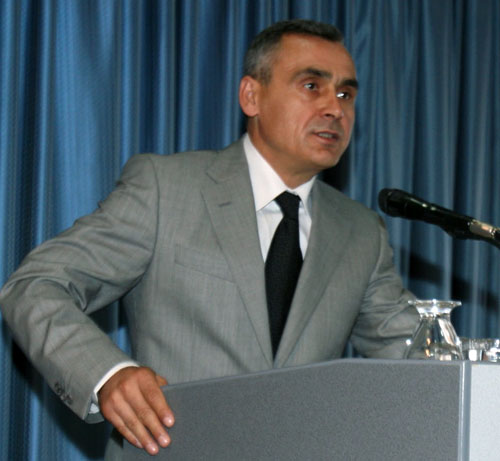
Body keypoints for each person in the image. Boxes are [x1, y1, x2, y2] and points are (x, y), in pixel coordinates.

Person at [0, 19, 418, 458]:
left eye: (346, 94)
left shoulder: (361, 232)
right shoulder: (167, 189)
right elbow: (34, 287)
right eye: (312, 86)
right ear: (251, 96)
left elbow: (419, 352)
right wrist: (107, 375)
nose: (335, 108)